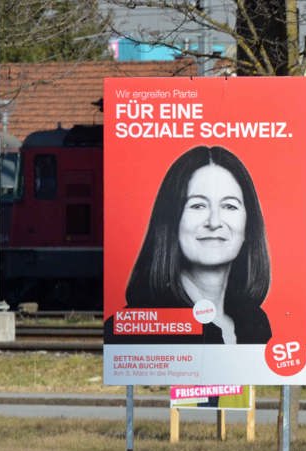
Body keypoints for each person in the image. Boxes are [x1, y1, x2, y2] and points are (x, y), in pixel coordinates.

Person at [105, 145, 271, 345]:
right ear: (171, 221)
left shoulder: (256, 325)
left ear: (249, 225)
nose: (214, 222)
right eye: (197, 205)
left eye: (229, 206)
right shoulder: (134, 331)